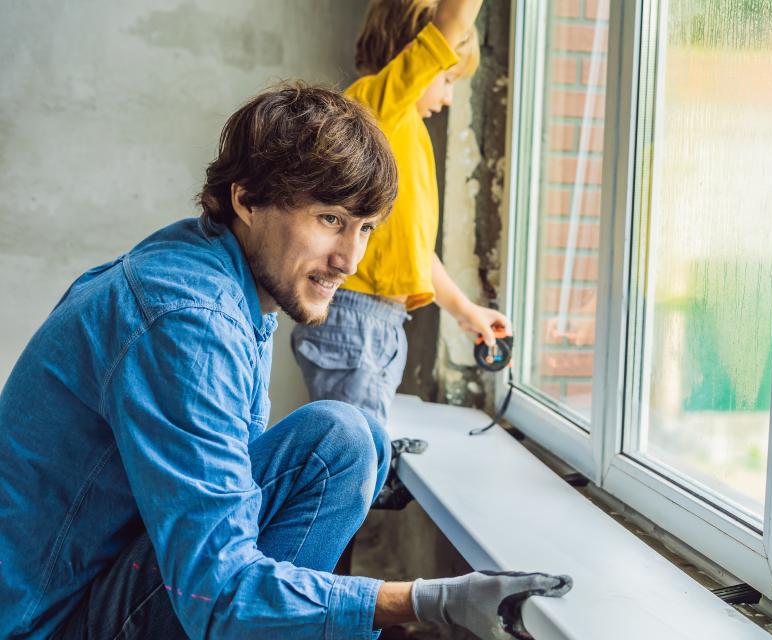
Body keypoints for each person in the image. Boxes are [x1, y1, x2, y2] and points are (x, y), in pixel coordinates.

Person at [0, 84, 570, 640]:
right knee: (342, 444)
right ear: (247, 199)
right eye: (330, 219)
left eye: (364, 228)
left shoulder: (217, 271)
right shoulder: (189, 321)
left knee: (347, 442)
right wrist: (431, 601)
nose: (350, 259)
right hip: (46, 622)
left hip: (96, 580)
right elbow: (218, 596)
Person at [291, 0, 509, 433]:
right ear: (417, 53)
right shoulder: (375, 107)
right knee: (355, 454)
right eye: (446, 78)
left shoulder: (402, 131)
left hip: (378, 322)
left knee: (359, 449)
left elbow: (416, 252)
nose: (447, 98)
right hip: (358, 320)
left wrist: (464, 309)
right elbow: (451, 23)